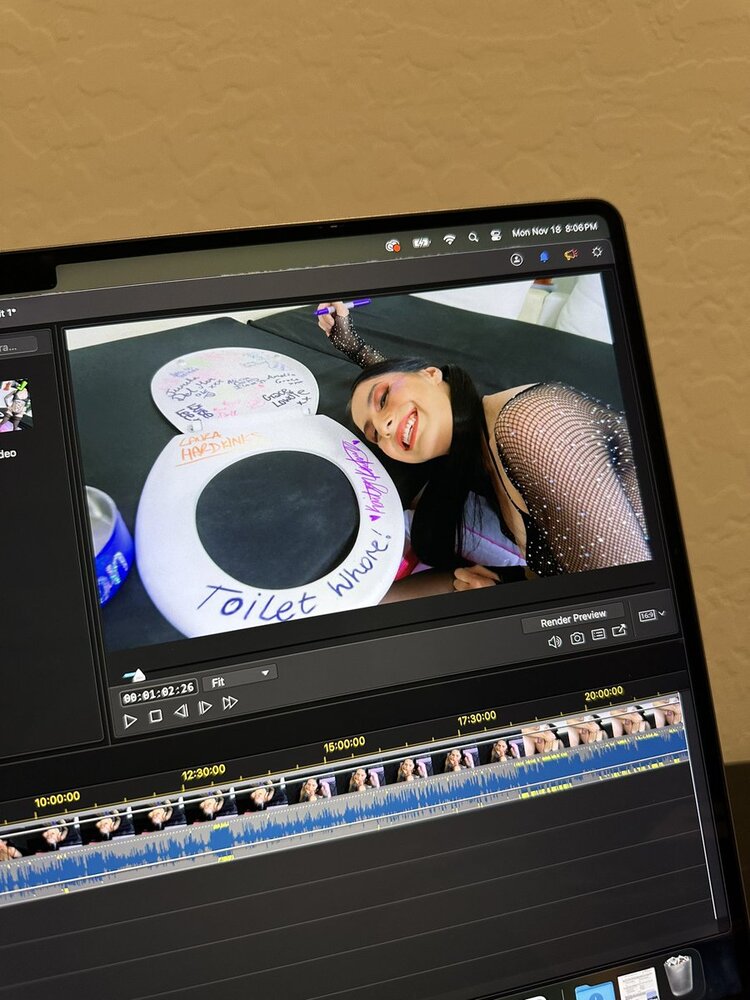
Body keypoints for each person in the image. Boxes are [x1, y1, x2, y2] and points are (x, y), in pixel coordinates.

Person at [317, 302, 651, 586]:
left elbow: (631, 603)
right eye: (375, 435)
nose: (385, 427)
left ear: (432, 373)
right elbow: (411, 390)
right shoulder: (474, 451)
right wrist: (353, 347)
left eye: (383, 398)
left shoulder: (529, 424)